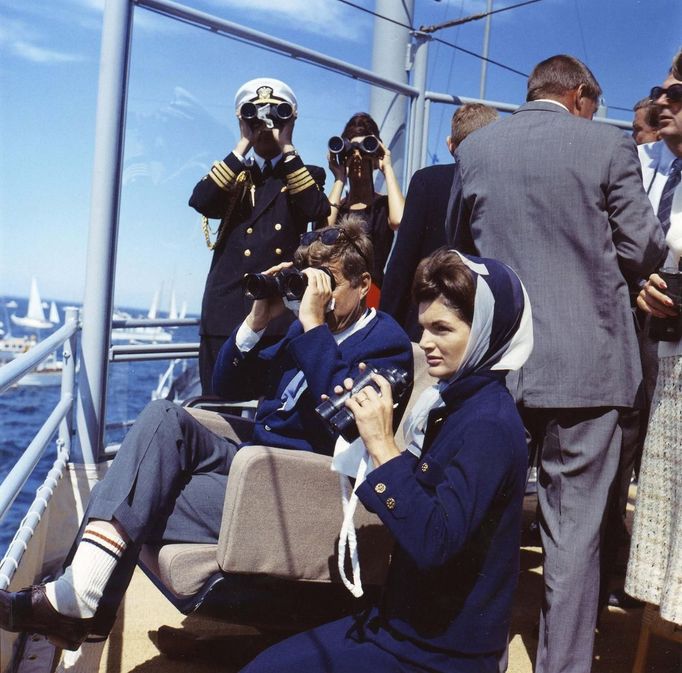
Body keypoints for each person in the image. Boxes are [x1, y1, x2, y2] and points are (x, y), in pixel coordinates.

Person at [0, 217, 413, 673]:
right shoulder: (303, 329)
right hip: (253, 461)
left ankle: (80, 605)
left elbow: (344, 423)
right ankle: (81, 599)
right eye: (308, 282)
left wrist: (313, 324)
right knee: (162, 416)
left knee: (135, 488)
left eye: (328, 283)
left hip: (297, 489)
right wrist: (259, 319)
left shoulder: (385, 343)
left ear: (363, 283)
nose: (316, 295)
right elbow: (227, 383)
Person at [446, 54, 667, 673]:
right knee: (572, 536)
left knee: (483, 515)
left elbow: (458, 255)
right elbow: (643, 246)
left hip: (495, 367)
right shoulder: (607, 145)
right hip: (587, 369)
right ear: (578, 96)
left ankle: (461, 649)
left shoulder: (478, 150)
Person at [239, 248, 533, 673]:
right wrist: (363, 435)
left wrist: (383, 446)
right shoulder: (454, 404)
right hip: (398, 625)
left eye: (442, 330)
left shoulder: (488, 424)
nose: (426, 342)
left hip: (439, 653)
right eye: (424, 327)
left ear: (487, 332)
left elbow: (434, 543)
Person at [189, 77, 330, 394]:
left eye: (276, 115)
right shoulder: (233, 172)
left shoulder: (304, 174)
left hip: (275, 313)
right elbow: (201, 201)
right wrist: (243, 143)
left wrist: (287, 144)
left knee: (268, 408)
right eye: (255, 115)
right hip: (226, 311)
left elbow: (313, 208)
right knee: (218, 404)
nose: (265, 125)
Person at [625, 48, 682, 626]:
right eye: (660, 91)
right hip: (666, 355)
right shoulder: (656, 165)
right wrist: (645, 285)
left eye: (676, 95)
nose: (661, 101)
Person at [381, 103, 498, 339]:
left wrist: (384, 331)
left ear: (450, 145)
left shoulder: (428, 181)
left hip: (428, 328)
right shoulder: (503, 187)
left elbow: (402, 264)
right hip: (482, 330)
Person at [326, 112, 405, 298]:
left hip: (374, 294)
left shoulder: (384, 206)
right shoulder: (337, 207)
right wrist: (339, 178)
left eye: (364, 149)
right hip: (338, 295)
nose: (357, 156)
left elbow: (399, 220)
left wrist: (387, 166)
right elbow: (322, 231)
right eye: (351, 150)